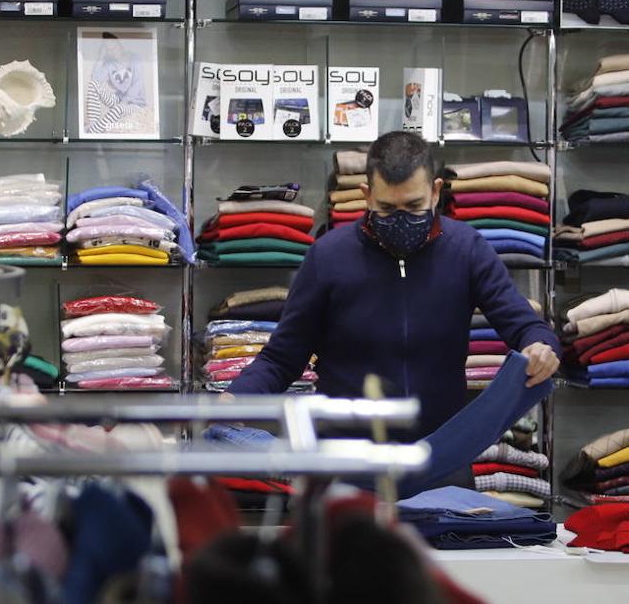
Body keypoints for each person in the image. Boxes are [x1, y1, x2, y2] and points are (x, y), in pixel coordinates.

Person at [226, 131, 560, 442]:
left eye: (414, 207)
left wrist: (540, 346)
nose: (401, 218)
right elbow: (283, 357)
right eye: (386, 208)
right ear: (366, 195)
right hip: (346, 454)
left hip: (441, 451)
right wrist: (237, 398)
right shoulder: (328, 256)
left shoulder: (466, 250)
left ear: (436, 191)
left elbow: (525, 326)